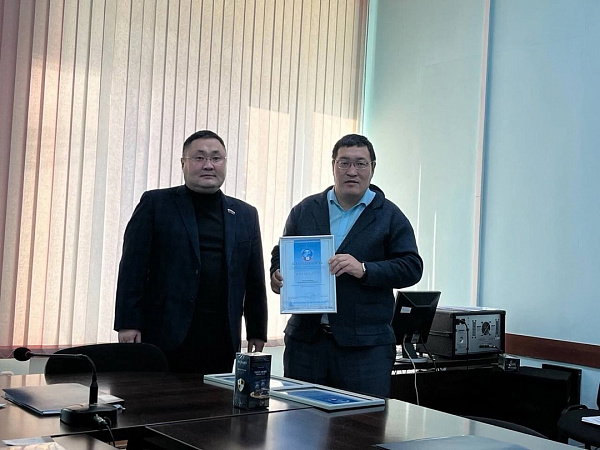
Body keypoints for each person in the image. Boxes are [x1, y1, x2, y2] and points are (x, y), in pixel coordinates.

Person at [270, 134, 423, 397]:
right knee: (301, 419)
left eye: (361, 163)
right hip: (306, 344)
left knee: (362, 420)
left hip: (365, 348)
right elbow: (281, 252)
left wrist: (364, 269)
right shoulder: (306, 210)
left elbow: (411, 267)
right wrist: (276, 274)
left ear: (373, 168)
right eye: (344, 163)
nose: (352, 171)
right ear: (333, 166)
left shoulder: (389, 215)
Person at [114, 130, 268, 373]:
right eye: (199, 157)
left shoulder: (245, 214)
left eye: (216, 158)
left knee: (216, 396)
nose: (208, 165)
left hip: (220, 337)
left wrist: (257, 330)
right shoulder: (156, 204)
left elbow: (254, 278)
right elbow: (132, 268)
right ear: (183, 163)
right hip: (164, 334)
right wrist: (128, 323)